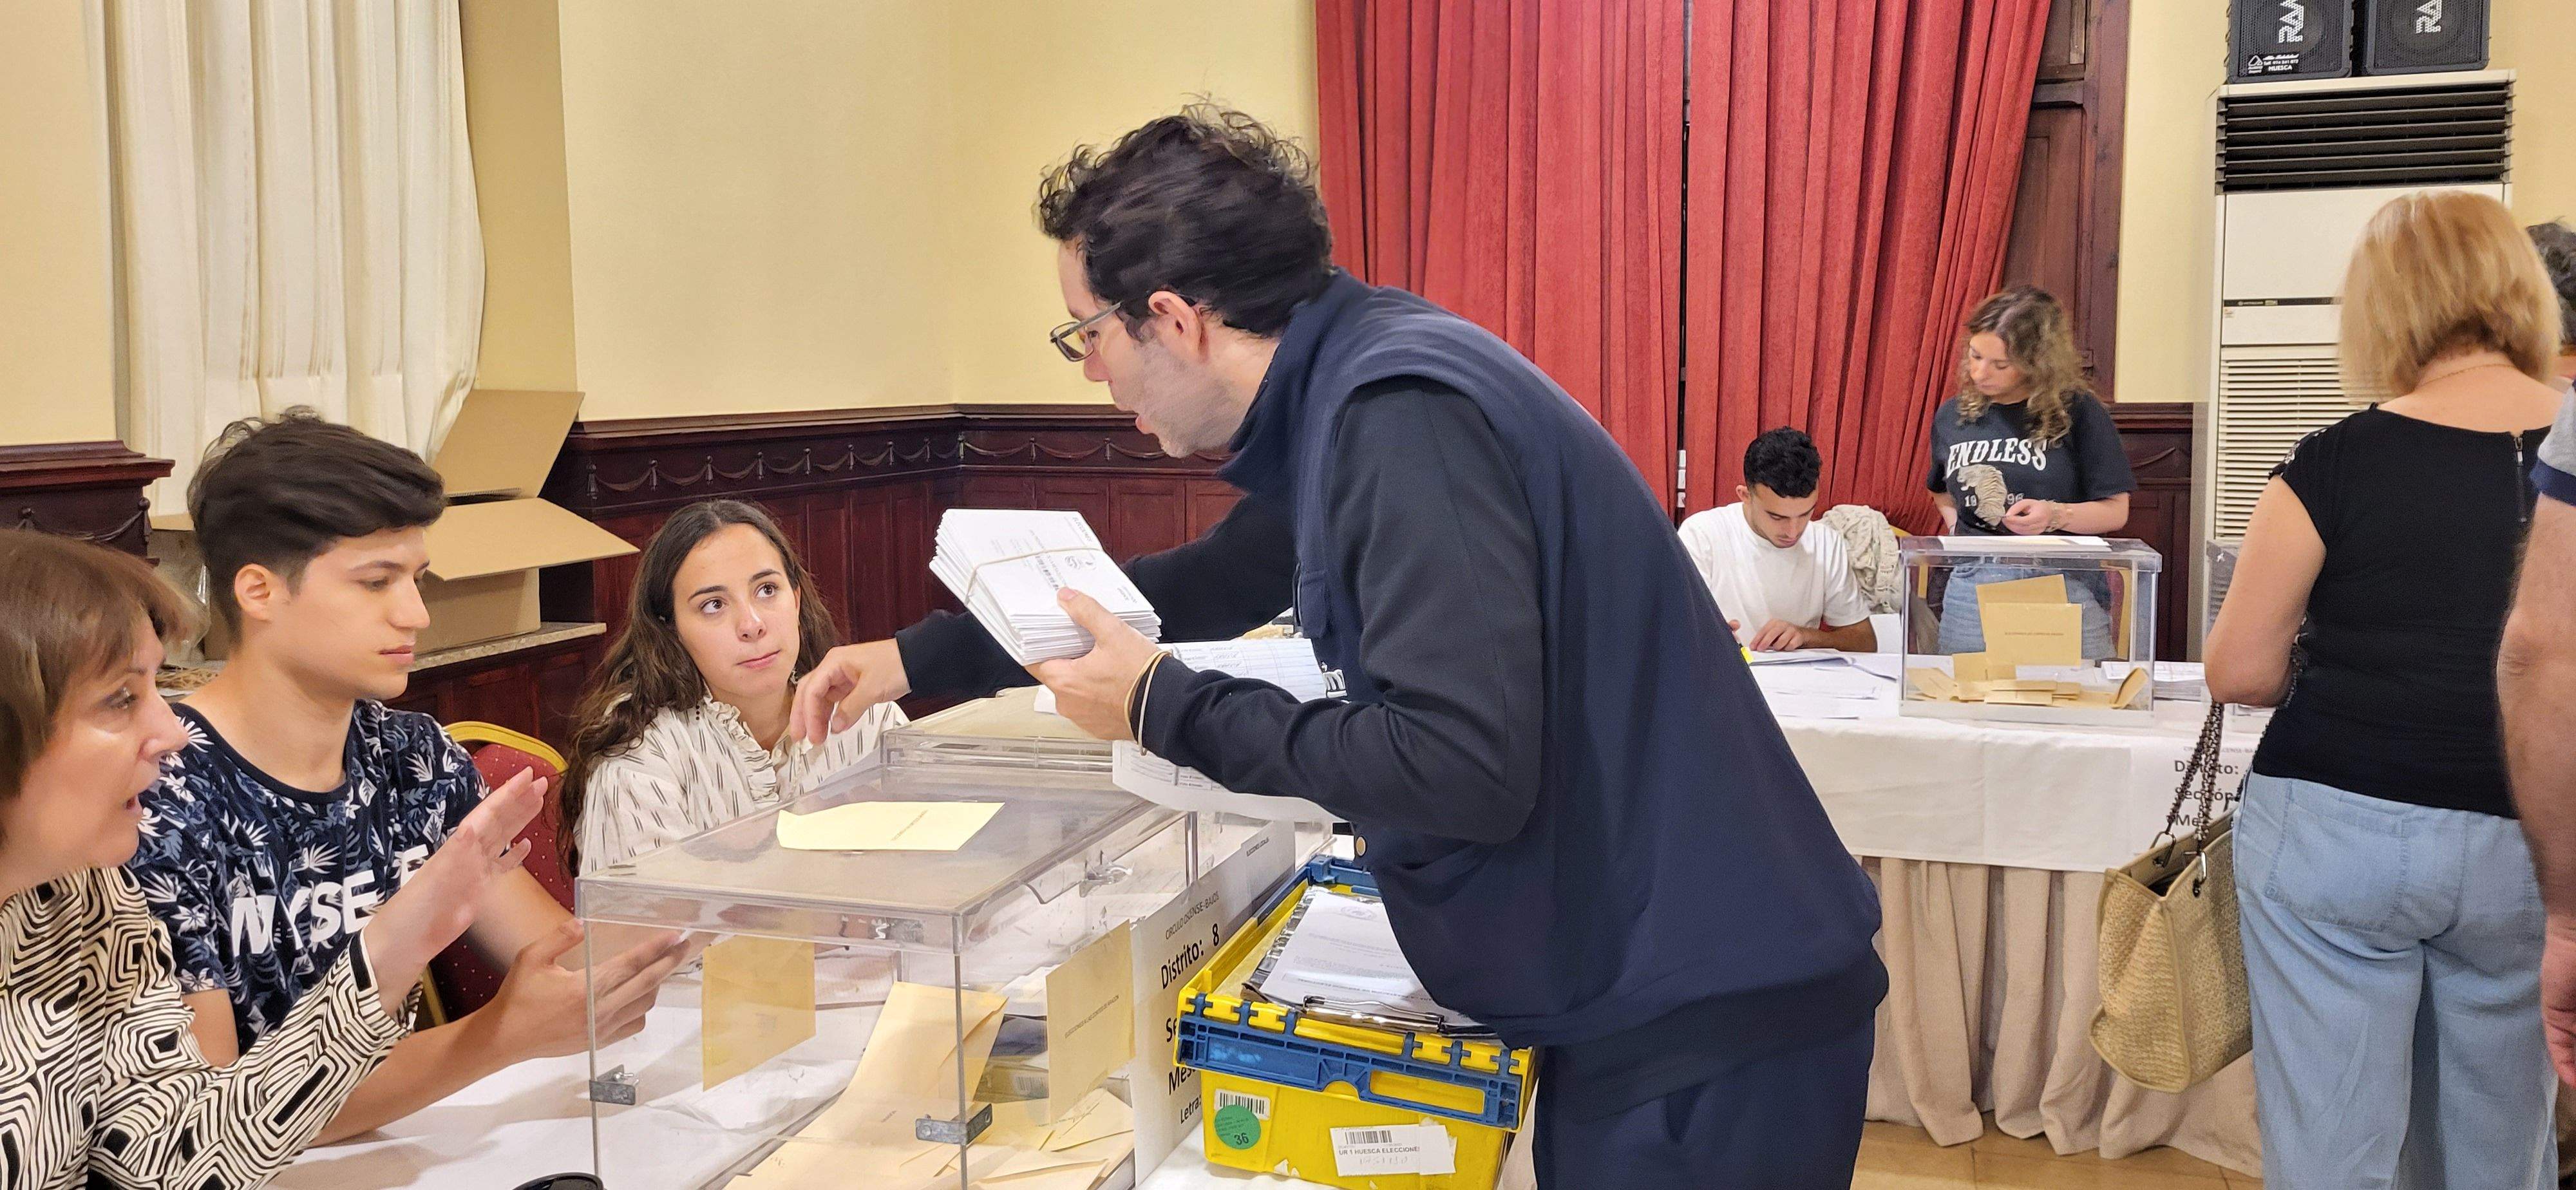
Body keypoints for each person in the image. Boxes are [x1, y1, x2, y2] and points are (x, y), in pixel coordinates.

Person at [789, 106, 1885, 1186]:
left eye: (1088, 335)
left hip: (1703, 1016)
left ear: (1174, 319)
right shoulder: (1359, 378)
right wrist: (921, 659)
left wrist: (1160, 703)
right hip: (1670, 980)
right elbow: (1211, 580)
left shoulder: (1395, 412)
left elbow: (1461, 765)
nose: (1090, 373)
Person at [124, 412, 684, 1144]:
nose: (416, 613)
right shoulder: (156, 791)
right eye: (375, 582)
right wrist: (494, 1039)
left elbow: (563, 969)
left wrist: (719, 910)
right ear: (259, 591)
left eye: (415, 578)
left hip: (412, 1148)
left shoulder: (411, 757)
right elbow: (212, 1120)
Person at [0, 527, 609, 1187]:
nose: (171, 732)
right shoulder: (147, 840)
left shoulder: (85, 902)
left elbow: (175, 1154)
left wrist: (398, 941)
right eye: (122, 699)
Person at [2210, 189, 2562, 1188]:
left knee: (2333, 1149)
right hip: (2529, 832)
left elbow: (2239, 671)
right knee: (2501, 1145)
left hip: (2335, 821)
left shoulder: (2335, 460)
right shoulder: (2570, 450)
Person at [558, 500, 907, 874]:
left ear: (797, 599)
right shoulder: (640, 762)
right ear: (671, 629)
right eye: (713, 605)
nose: (752, 624)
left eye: (768, 590)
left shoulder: (868, 714)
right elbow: (643, 927)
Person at [1925, 286, 2136, 657]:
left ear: (2037, 362)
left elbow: (2116, 511)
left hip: (2064, 585)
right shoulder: (1952, 416)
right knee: (1965, 708)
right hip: (1974, 588)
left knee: (2076, 705)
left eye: (2000, 365)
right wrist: (1960, 529)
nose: (1979, 372)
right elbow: (1940, 488)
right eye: (1975, 356)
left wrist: (2056, 514)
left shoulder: (2080, 412)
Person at [1676, 427, 1876, 652]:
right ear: (1745, 496)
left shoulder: (1826, 543)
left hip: (1801, 682)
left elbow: (1865, 642)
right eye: (1777, 517)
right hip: (1726, 679)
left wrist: (1805, 636)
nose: (1793, 532)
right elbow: (1675, 633)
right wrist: (1706, 638)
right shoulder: (1702, 534)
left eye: (1805, 514)